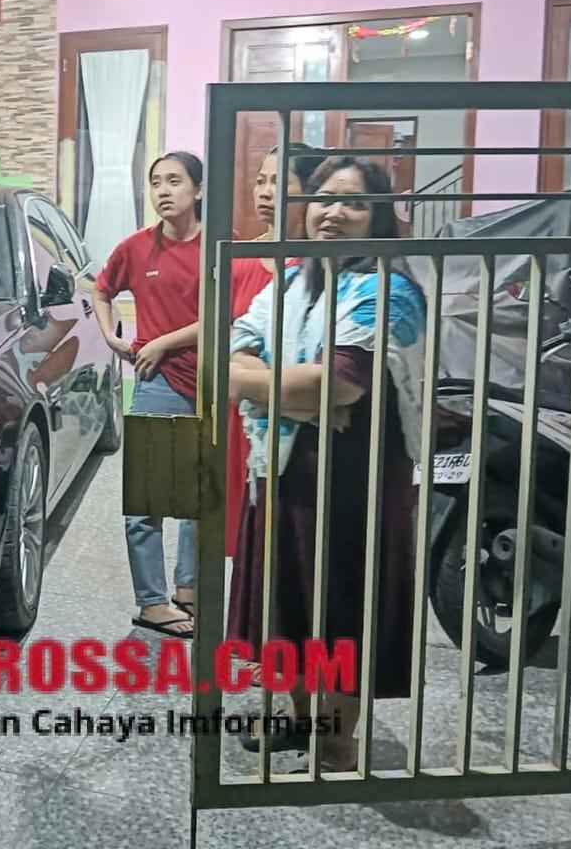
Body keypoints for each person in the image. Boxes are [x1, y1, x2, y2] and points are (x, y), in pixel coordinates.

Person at [225, 156, 426, 771]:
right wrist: (290, 395)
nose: (333, 212)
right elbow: (230, 353)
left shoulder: (390, 290)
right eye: (323, 198)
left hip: (353, 487)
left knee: (341, 609)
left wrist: (260, 385)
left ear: (380, 218)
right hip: (285, 470)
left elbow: (339, 384)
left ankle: (337, 746)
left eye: (354, 202)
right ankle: (300, 717)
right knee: (288, 600)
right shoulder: (291, 284)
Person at [92, 151, 204, 637]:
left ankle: (189, 588)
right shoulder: (137, 248)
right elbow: (101, 290)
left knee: (200, 496)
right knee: (146, 500)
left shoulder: (220, 244)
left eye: (174, 181)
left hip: (215, 383)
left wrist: (162, 340)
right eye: (156, 182)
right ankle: (152, 602)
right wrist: (112, 337)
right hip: (158, 383)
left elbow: (230, 309)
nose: (163, 191)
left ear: (198, 190)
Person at [225, 144, 325, 557]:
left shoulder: (321, 265)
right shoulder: (240, 260)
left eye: (280, 182)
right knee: (251, 529)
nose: (265, 191)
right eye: (261, 181)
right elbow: (228, 341)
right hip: (247, 414)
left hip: (305, 418)